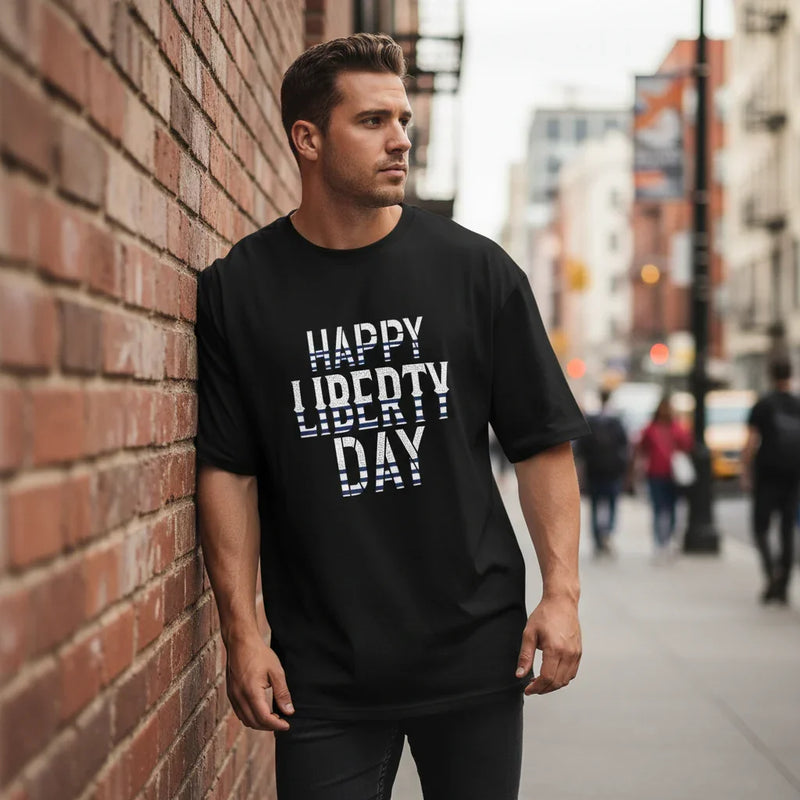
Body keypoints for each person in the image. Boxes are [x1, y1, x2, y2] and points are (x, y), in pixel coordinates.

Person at [195, 33, 589, 800]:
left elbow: (541, 444)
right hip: (322, 669)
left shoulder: (476, 271)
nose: (401, 138)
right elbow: (228, 469)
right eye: (373, 121)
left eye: (403, 118)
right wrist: (243, 633)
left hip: (476, 651)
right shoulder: (239, 290)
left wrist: (562, 596)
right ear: (308, 139)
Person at [741, 357, 800, 605]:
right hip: (794, 475)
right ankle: (783, 582)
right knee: (787, 529)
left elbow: (751, 441)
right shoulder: (798, 404)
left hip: (767, 474)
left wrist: (745, 472)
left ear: (770, 374)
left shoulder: (763, 404)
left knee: (760, 528)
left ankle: (771, 574)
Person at [633, 395, 692, 561]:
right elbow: (641, 448)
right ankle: (660, 542)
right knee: (659, 509)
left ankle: (668, 539)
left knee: (672, 508)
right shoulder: (651, 428)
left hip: (673, 474)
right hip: (655, 473)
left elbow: (687, 443)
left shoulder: (676, 428)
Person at [575, 388, 629, 556]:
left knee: (595, 506)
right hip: (612, 471)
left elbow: (581, 448)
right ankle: (608, 533)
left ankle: (598, 538)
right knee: (612, 504)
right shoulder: (616, 421)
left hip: (595, 470)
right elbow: (625, 445)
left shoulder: (592, 421)